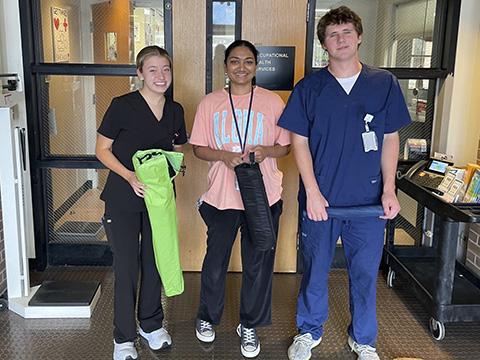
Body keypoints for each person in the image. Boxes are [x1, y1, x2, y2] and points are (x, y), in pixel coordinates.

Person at [278, 6, 411, 360]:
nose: (341, 39)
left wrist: (389, 189)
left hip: (368, 204)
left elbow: (390, 138)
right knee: (315, 271)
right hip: (322, 203)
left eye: (347, 32)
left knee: (365, 274)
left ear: (359, 36)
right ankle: (308, 332)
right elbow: (299, 142)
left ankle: (364, 340)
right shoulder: (310, 87)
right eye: (333, 35)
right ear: (324, 43)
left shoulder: (383, 84)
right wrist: (313, 193)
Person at [189, 40, 290, 358]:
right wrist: (224, 156)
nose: (241, 67)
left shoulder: (273, 102)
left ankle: (249, 325)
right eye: (235, 61)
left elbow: (285, 146)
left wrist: (265, 152)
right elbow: (198, 148)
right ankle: (207, 317)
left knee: (258, 265)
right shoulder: (210, 103)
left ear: (256, 66)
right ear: (226, 66)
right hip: (221, 197)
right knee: (215, 263)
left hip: (263, 196)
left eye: (248, 61)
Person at [95, 45, 187, 360]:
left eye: (166, 69)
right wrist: (130, 176)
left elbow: (175, 148)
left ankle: (151, 324)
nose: (161, 76)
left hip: (158, 200)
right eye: (153, 70)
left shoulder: (175, 110)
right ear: (139, 74)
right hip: (123, 198)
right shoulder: (122, 106)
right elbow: (102, 150)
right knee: (127, 267)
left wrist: (176, 166)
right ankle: (123, 338)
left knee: (154, 262)